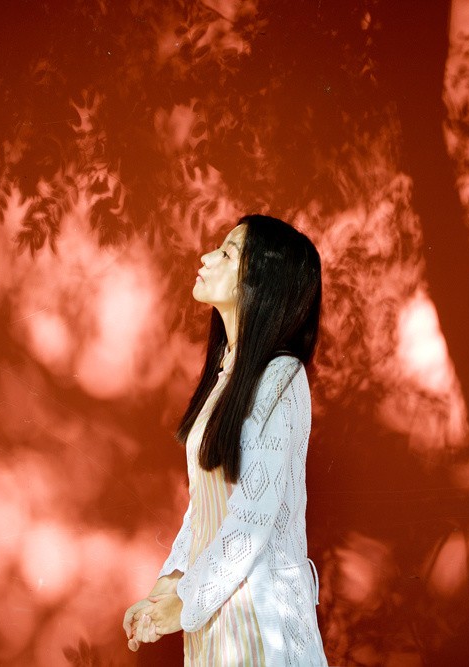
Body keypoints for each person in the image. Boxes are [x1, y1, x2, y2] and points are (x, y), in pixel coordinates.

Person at [122, 214, 328, 665]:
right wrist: (165, 591)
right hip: (216, 618)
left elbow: (251, 519)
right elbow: (206, 509)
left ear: (262, 284)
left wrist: (184, 604)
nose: (206, 257)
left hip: (259, 622)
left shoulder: (281, 377)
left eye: (227, 253)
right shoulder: (226, 377)